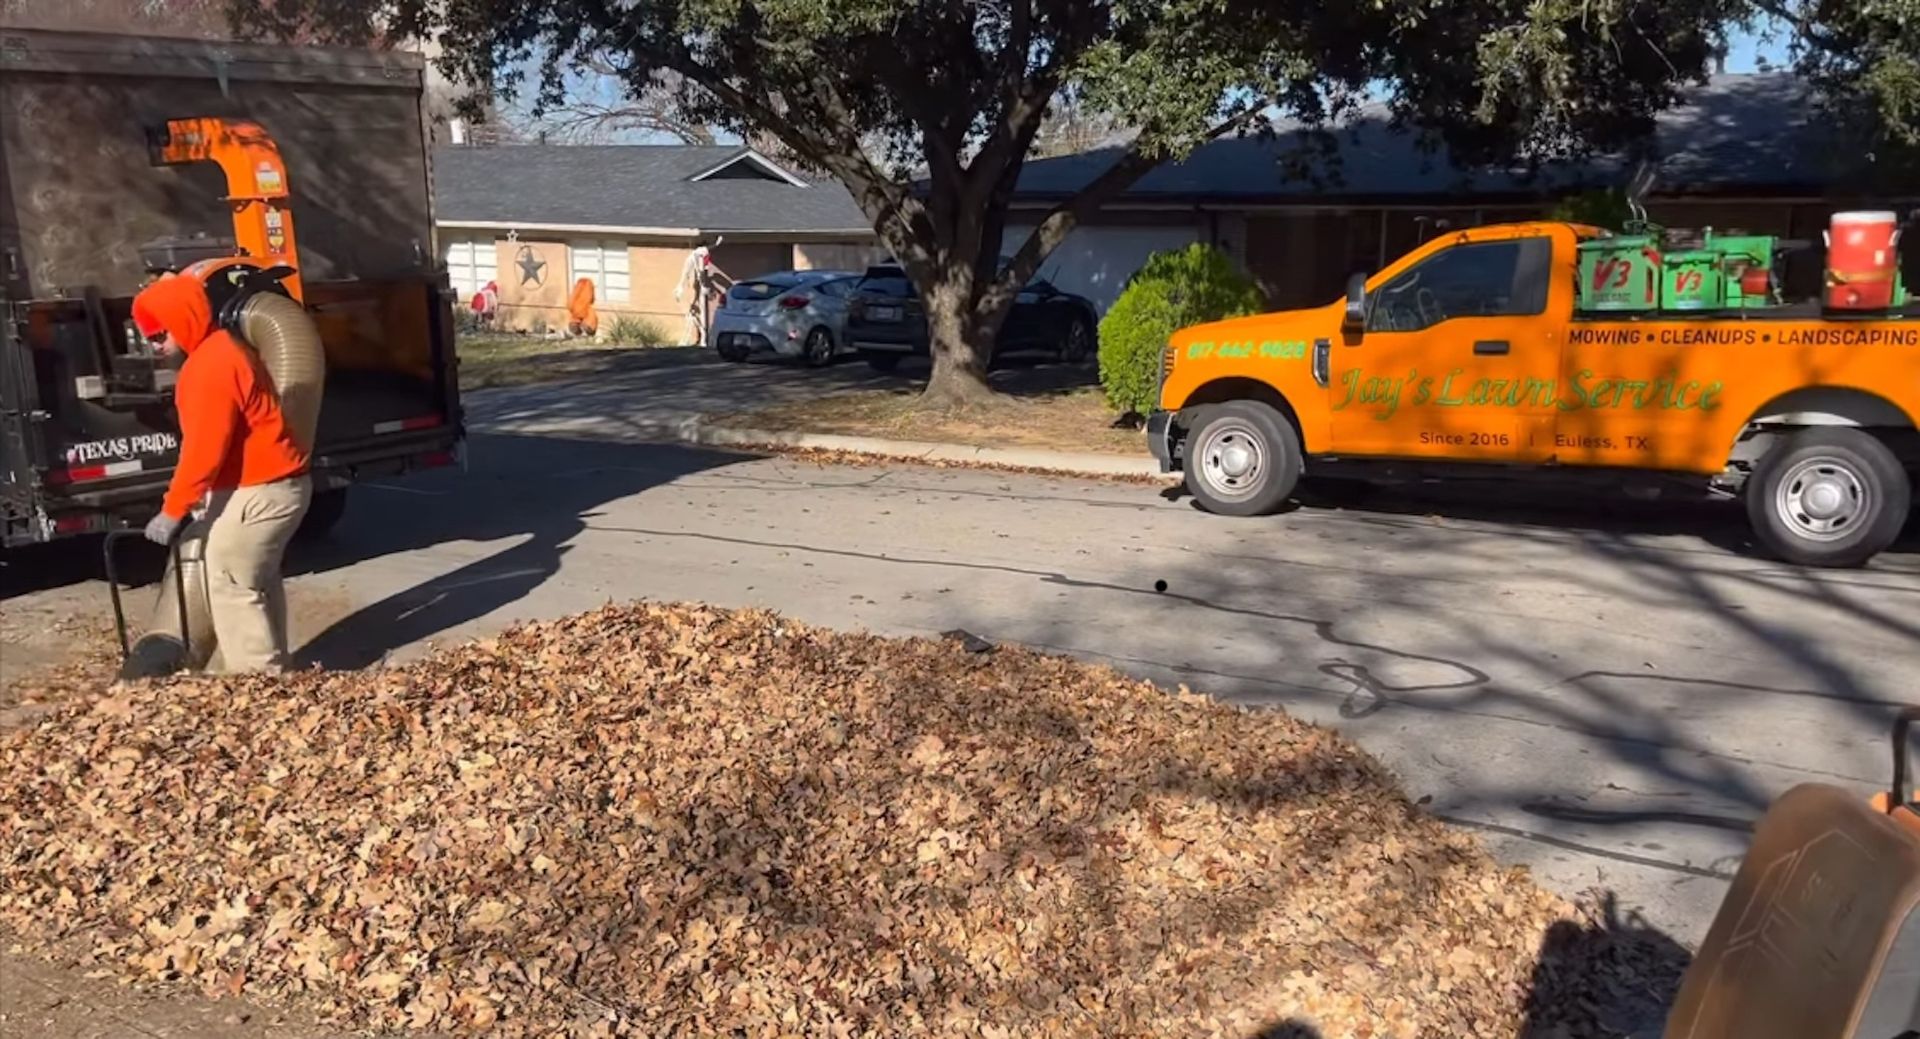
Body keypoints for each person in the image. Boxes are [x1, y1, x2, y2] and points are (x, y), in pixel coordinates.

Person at [133, 274, 312, 673]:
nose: (155, 345)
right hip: (275, 486)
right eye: (146, 337)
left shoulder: (208, 368)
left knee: (230, 585)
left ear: (183, 320)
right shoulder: (224, 350)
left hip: (260, 491)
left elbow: (203, 451)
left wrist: (173, 510)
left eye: (159, 334)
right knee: (256, 582)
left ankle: (257, 685)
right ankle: (275, 671)